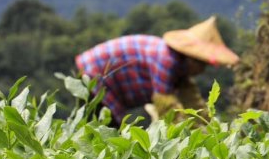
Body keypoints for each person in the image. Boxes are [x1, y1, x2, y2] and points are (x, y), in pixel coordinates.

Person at [75, 16, 239, 127]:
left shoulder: (180, 69)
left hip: (100, 76)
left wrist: (209, 126)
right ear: (191, 59)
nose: (202, 71)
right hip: (93, 75)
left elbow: (192, 101)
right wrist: (188, 134)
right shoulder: (167, 60)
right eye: (202, 65)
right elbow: (166, 107)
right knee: (105, 132)